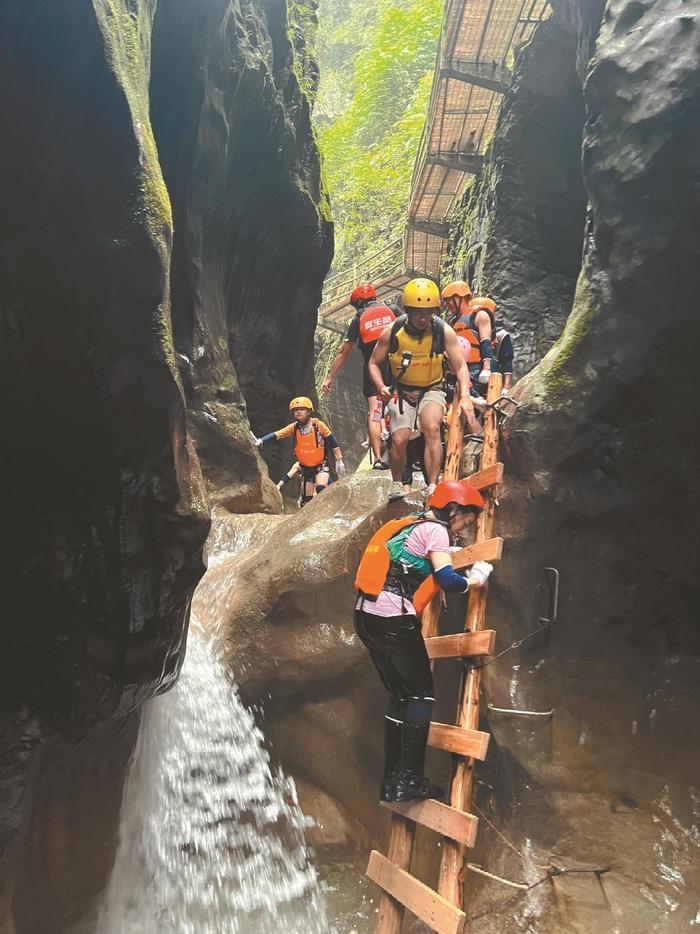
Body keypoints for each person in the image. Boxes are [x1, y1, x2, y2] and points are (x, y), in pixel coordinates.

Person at [354, 480, 493, 802]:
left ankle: (392, 781)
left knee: (400, 696)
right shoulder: (437, 530)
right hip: (392, 617)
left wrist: (453, 553)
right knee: (421, 695)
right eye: (465, 521)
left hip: (366, 617)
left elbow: (418, 558)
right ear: (454, 510)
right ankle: (409, 779)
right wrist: (474, 580)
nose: (462, 529)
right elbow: (445, 578)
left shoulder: (410, 525)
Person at [368, 277, 481, 503]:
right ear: (408, 310)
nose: (423, 317)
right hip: (402, 391)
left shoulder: (442, 330)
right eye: (418, 312)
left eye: (428, 312)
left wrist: (466, 396)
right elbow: (373, 363)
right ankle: (397, 482)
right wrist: (381, 386)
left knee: (431, 427)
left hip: (432, 387)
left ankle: (432, 485)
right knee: (399, 438)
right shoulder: (393, 331)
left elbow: (460, 366)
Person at [321, 284, 396, 467]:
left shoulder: (358, 319)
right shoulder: (392, 309)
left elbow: (343, 353)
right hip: (395, 364)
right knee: (399, 403)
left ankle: (378, 458)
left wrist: (329, 377)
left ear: (359, 303)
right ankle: (402, 447)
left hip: (372, 367)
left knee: (375, 411)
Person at [254, 397, 346, 505]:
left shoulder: (318, 425)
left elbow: (333, 442)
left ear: (309, 411)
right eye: (295, 410)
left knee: (321, 489)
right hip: (306, 469)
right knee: (307, 500)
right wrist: (261, 441)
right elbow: (278, 434)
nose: (298, 412)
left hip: (320, 465)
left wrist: (339, 460)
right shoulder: (294, 427)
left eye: (301, 409)